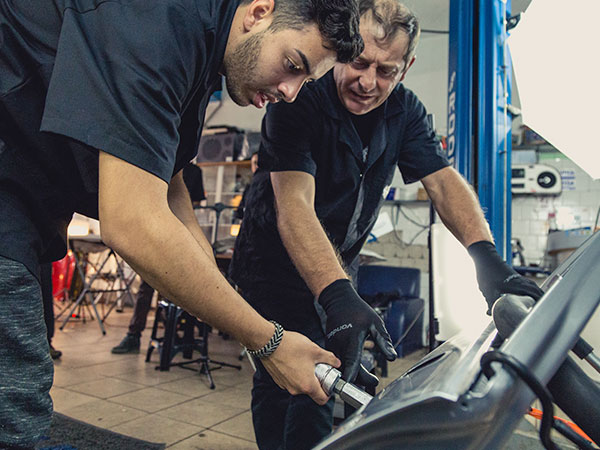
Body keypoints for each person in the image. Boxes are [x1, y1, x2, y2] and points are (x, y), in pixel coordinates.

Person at [0, 0, 364, 447]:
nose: (291, 92)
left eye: (306, 80)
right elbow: (133, 222)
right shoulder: (160, 18)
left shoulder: (203, 50)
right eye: (293, 65)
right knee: (14, 407)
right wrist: (267, 341)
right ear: (259, 11)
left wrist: (207, 280)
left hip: (26, 202)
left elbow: (169, 186)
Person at [229, 1, 545, 448]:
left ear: (407, 66)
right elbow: (294, 204)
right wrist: (337, 297)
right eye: (359, 62)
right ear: (343, 50)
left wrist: (487, 259)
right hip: (274, 263)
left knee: (325, 380)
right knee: (285, 374)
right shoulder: (299, 97)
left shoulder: (405, 111)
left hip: (338, 263)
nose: (367, 82)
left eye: (386, 70)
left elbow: (443, 182)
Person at [112, 162, 207, 354]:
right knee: (147, 286)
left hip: (181, 235)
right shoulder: (161, 161)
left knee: (179, 289)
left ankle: (175, 333)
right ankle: (134, 335)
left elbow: (193, 205)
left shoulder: (194, 172)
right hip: (154, 231)